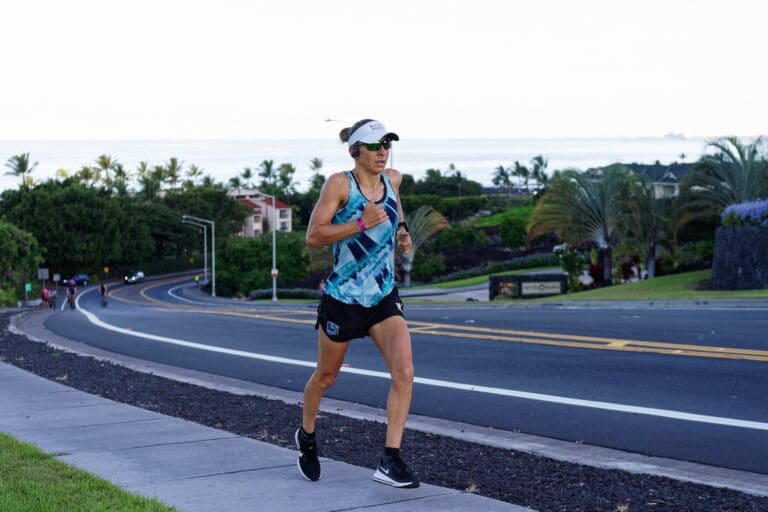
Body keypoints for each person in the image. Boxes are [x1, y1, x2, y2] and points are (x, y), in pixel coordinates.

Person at [296, 119, 417, 488]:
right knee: (327, 377)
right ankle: (307, 436)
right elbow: (314, 236)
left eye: (387, 144)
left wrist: (401, 232)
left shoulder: (392, 180)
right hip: (343, 298)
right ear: (355, 151)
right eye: (375, 145)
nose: (383, 151)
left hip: (382, 295)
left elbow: (395, 212)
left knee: (405, 371)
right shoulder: (339, 185)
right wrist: (361, 224)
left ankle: (389, 460)